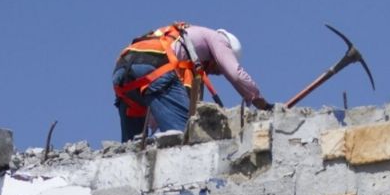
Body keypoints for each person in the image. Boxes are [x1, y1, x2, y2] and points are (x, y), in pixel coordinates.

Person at [112, 22, 271, 142]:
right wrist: (259, 101)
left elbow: (167, 106)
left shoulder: (189, 56)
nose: (218, 73)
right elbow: (236, 74)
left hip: (122, 73)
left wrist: (150, 131)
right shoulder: (216, 39)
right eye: (219, 69)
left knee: (131, 147)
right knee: (186, 135)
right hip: (153, 65)